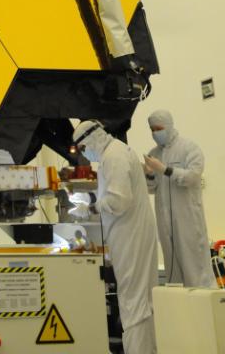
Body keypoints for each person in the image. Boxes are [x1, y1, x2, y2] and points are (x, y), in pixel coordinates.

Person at [73, 120, 157, 354]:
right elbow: (115, 192)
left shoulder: (113, 156)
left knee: (133, 301)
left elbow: (119, 201)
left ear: (92, 138)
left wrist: (91, 208)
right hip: (133, 233)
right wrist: (92, 199)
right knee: (142, 299)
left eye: (82, 148)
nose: (84, 153)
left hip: (130, 235)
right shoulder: (116, 152)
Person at [143, 109, 213, 288]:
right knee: (172, 268)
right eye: (152, 129)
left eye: (158, 128)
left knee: (194, 267)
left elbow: (192, 177)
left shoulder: (189, 148)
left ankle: (201, 300)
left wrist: (164, 169)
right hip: (165, 221)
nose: (155, 133)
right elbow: (151, 188)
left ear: (169, 126)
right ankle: (178, 302)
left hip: (187, 219)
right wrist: (149, 174)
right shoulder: (154, 154)